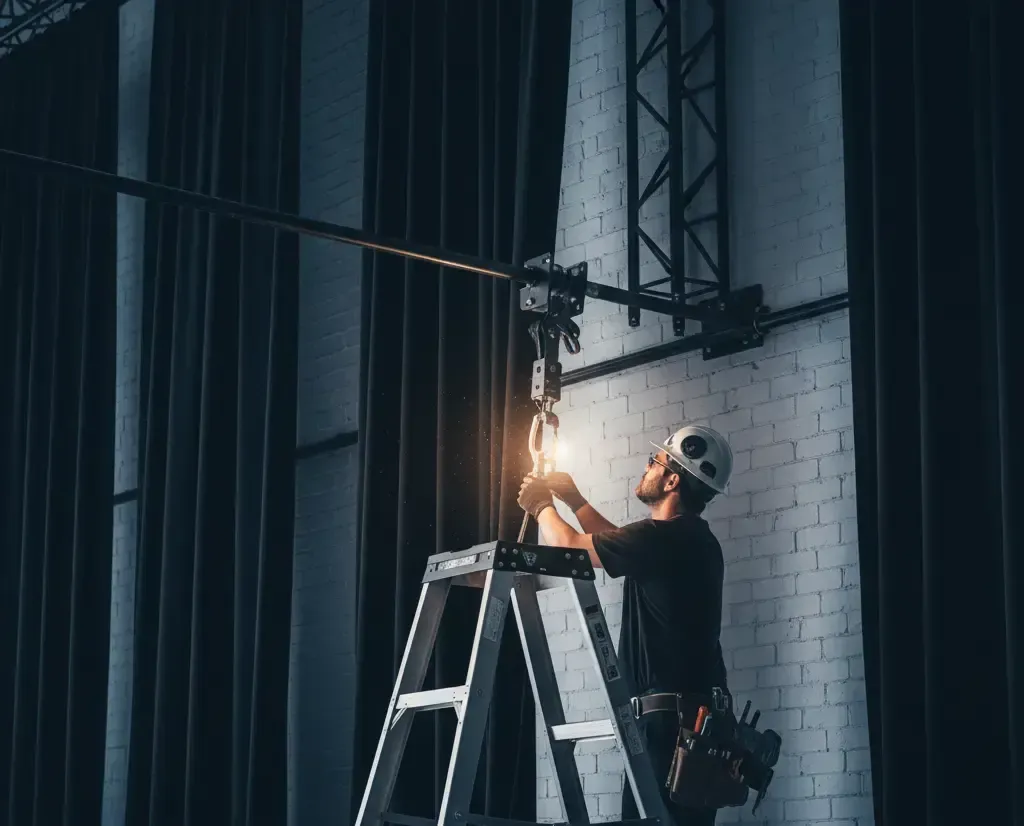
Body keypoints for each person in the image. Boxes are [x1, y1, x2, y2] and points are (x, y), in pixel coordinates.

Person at [517, 425, 734, 826]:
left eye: (655, 461)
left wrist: (540, 505)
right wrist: (573, 499)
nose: (647, 466)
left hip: (672, 731)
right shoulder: (684, 539)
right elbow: (616, 541)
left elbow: (571, 548)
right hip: (687, 726)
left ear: (672, 479)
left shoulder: (664, 540)